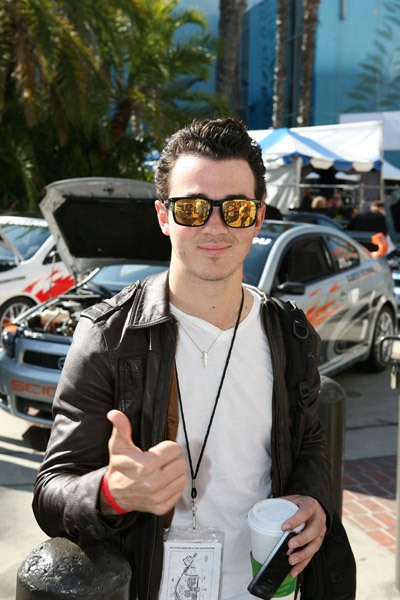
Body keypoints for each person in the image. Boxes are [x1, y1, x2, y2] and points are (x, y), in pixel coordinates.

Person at [32, 118, 332, 600]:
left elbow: (310, 438)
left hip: (270, 589)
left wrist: (313, 497)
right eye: (192, 208)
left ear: (257, 218)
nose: (214, 226)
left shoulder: (290, 334)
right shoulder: (108, 337)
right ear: (163, 216)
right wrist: (111, 493)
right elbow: (50, 493)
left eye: (235, 209)